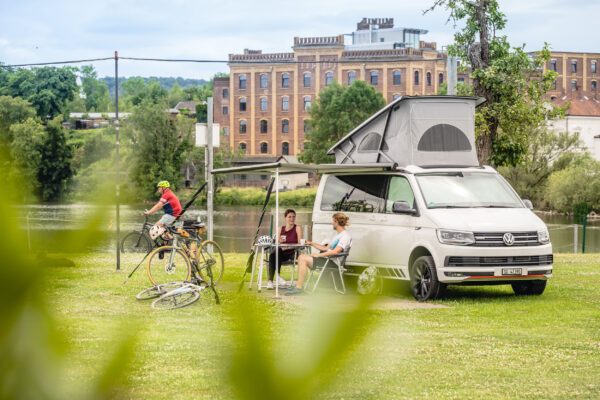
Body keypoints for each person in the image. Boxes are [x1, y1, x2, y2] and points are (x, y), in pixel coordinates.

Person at [286, 212, 351, 295]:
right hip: (327, 260)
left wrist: (318, 255)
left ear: (337, 222)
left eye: (333, 221)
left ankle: (299, 287)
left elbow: (336, 251)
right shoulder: (338, 235)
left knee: (302, 258)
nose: (332, 223)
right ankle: (299, 285)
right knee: (302, 257)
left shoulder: (345, 236)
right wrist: (311, 243)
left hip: (332, 263)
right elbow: (325, 248)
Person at [267, 209, 303, 289]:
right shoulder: (280, 228)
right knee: (274, 253)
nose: (292, 219)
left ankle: (272, 280)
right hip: (281, 253)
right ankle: (273, 280)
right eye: (289, 217)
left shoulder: (297, 228)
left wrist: (288, 247)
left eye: (293, 217)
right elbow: (276, 242)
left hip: (292, 253)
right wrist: (279, 241)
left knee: (273, 254)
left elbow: (300, 243)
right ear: (285, 218)